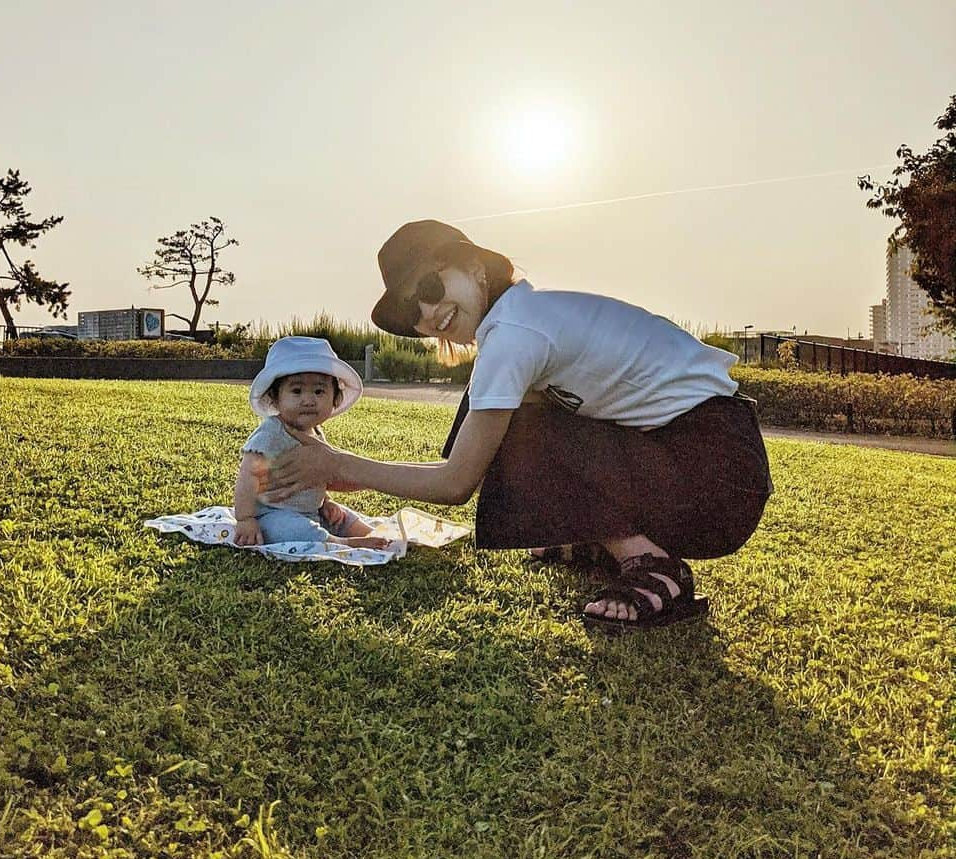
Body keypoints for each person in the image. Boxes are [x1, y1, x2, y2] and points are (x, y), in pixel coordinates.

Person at [266, 221, 773, 634]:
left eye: (428, 286)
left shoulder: (515, 334)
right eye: (410, 309)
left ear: (472, 266)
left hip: (717, 478)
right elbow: (466, 461)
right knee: (484, 424)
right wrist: (341, 475)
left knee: (515, 434)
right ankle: (595, 535)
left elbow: (456, 482)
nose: (427, 313)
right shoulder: (519, 321)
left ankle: (653, 565)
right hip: (706, 461)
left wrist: (335, 463)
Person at [234, 336, 388, 549]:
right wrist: (245, 519)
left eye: (319, 391)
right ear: (275, 397)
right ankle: (342, 543)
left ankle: (380, 538)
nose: (308, 400)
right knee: (293, 530)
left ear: (335, 398)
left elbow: (315, 477)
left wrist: (326, 502)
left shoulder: (315, 432)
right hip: (273, 514)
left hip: (312, 511)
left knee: (343, 516)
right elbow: (248, 475)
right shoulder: (272, 432)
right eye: (296, 391)